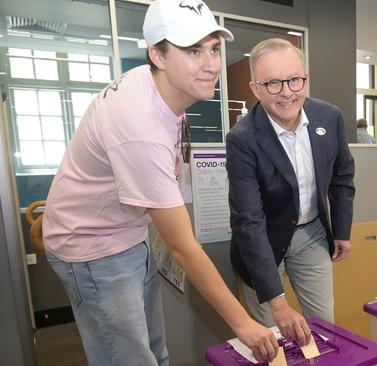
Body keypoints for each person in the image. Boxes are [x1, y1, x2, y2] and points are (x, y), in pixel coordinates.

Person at [41, 1, 278, 364]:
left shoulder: (154, 87)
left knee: (154, 352)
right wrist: (243, 324)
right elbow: (183, 247)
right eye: (193, 50)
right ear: (158, 55)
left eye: (214, 48)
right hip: (91, 247)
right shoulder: (140, 126)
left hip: (127, 233)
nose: (211, 64)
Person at [226, 38, 355, 345]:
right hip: (263, 243)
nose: (287, 92)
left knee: (324, 326)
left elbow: (342, 175)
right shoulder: (242, 140)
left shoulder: (329, 117)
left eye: (295, 80)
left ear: (305, 79)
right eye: (272, 83)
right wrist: (278, 301)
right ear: (255, 88)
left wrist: (341, 229)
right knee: (274, 337)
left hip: (312, 234)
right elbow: (248, 221)